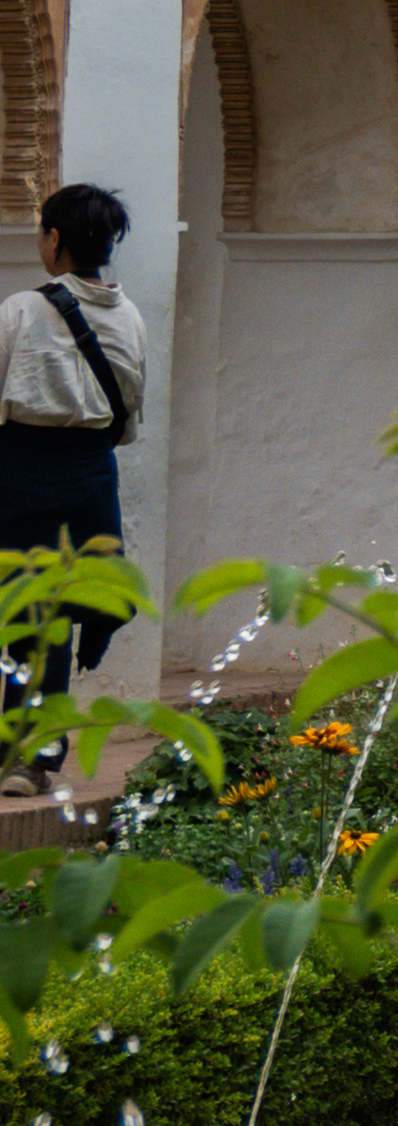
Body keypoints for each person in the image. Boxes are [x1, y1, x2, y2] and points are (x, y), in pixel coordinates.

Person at [4, 185, 148, 757]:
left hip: (19, 468)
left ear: (54, 239)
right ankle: (35, 754)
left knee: (22, 605)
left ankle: (24, 748)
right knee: (61, 605)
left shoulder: (20, 309)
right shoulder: (130, 315)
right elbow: (132, 406)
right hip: (92, 469)